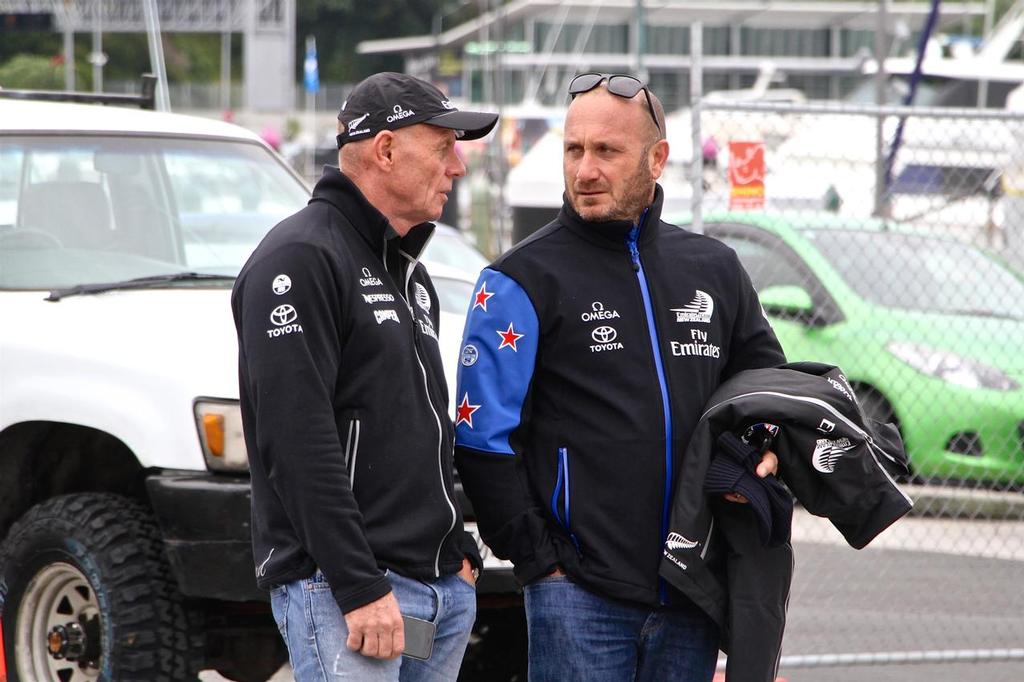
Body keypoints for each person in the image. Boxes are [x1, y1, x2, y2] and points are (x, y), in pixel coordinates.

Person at [453, 73, 786, 681]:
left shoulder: (713, 268)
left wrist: (763, 445)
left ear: (657, 158)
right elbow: (481, 441)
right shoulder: (519, 279)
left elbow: (765, 386)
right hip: (577, 596)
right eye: (574, 150)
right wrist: (539, 562)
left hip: (690, 591)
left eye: (607, 151)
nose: (585, 170)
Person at [231, 72, 497, 682]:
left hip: (434, 590)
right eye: (443, 147)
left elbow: (424, 427)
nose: (457, 167)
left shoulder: (407, 269)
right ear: (385, 150)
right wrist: (357, 584)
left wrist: (459, 556)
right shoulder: (300, 259)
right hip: (349, 592)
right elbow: (297, 445)